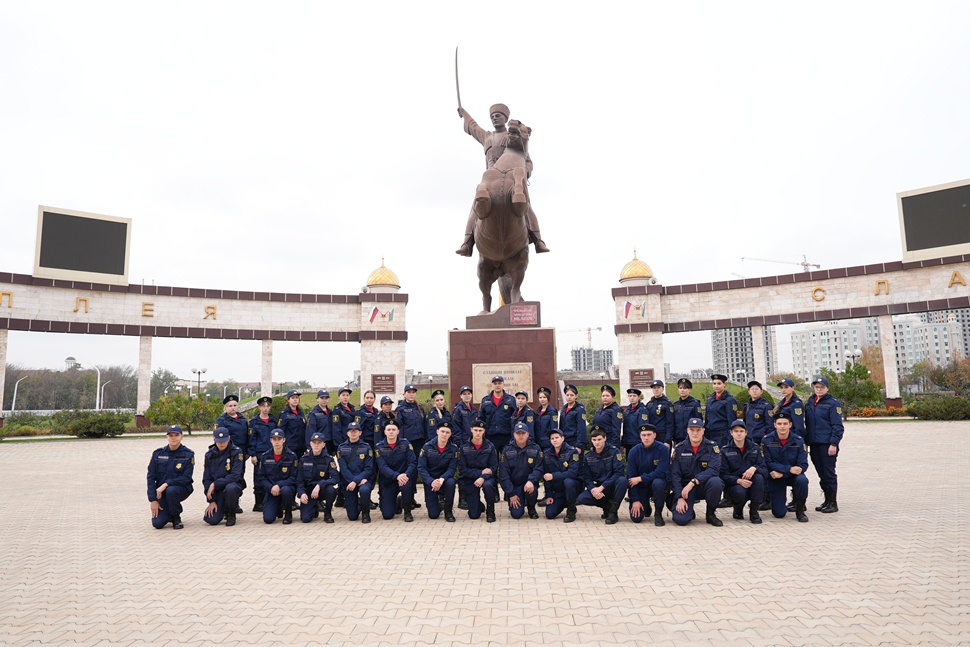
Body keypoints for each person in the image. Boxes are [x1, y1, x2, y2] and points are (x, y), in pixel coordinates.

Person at [456, 103, 549, 256]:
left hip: (513, 175)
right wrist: (464, 113)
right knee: (476, 205)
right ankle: (467, 242)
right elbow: (473, 127)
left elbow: (527, 159)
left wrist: (526, 171)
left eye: (498, 115)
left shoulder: (513, 135)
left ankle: (538, 239)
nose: (494, 118)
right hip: (491, 178)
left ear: (505, 118)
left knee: (527, 206)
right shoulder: (487, 137)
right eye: (492, 116)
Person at [670, 417, 725, 527]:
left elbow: (714, 470)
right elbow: (675, 475)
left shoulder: (712, 447)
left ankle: (710, 514)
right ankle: (681, 506)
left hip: (704, 486)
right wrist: (679, 497)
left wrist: (694, 482)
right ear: (687, 430)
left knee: (716, 482)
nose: (695, 433)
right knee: (681, 520)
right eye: (692, 430)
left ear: (703, 431)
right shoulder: (679, 449)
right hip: (685, 490)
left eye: (698, 430)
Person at [805, 376, 844, 513]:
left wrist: (834, 443)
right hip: (814, 443)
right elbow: (808, 424)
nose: (819, 389)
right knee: (821, 473)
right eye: (817, 387)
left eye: (821, 387)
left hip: (827, 444)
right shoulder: (810, 402)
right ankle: (826, 500)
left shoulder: (833, 403)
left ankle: (833, 503)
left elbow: (837, 426)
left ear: (827, 388)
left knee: (829, 473)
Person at [761, 412, 810, 522]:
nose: (782, 426)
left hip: (791, 476)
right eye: (779, 424)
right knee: (779, 514)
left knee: (802, 480)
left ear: (790, 424)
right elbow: (767, 462)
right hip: (776, 478)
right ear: (775, 425)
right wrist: (789, 469)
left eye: (785, 423)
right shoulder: (766, 440)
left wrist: (784, 472)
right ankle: (780, 503)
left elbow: (803, 465)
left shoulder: (799, 440)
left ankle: (800, 509)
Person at [577, 425, 628, 524]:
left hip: (612, 487)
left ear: (605, 438)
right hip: (598, 488)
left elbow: (618, 473)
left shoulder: (614, 452)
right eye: (594, 439)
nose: (597, 442)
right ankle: (607, 506)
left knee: (622, 480)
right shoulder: (588, 457)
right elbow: (587, 478)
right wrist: (593, 490)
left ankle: (613, 512)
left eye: (599, 439)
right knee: (582, 498)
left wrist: (602, 487)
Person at [147, 425, 195, 530]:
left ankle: (176, 517)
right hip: (161, 493)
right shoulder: (158, 454)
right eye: (171, 435)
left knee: (171, 490)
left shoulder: (188, 454)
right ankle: (168, 512)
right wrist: (153, 500)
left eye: (176, 435)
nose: (173, 438)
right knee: (157, 524)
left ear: (182, 436)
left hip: (181, 488)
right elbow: (150, 477)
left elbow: (186, 477)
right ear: (167, 437)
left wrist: (166, 484)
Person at [719, 420, 767, 524]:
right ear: (731, 433)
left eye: (741, 431)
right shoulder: (725, 451)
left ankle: (754, 511)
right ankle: (738, 508)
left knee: (759, 478)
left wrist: (754, 468)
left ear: (746, 433)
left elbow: (764, 469)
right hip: (735, 484)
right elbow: (722, 475)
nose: (739, 433)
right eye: (736, 431)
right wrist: (738, 480)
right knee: (739, 491)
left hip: (752, 482)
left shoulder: (755, 448)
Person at [626, 424, 669, 526]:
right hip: (641, 487)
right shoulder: (634, 451)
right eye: (643, 435)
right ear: (640, 436)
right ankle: (645, 504)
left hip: (657, 485)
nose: (646, 437)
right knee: (636, 518)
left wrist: (641, 478)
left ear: (654, 435)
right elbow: (631, 478)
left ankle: (658, 513)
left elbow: (661, 472)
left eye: (649, 434)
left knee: (658, 483)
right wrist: (635, 500)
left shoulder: (663, 449)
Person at [499, 422, 544, 519]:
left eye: (523, 433)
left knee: (532, 490)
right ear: (514, 434)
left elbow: (539, 469)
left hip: (529, 484)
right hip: (514, 486)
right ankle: (520, 501)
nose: (521, 436)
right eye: (518, 433)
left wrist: (531, 481)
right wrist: (511, 494)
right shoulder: (507, 450)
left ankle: (531, 507)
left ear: (528, 434)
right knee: (516, 514)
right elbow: (504, 474)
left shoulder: (535, 449)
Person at [374, 420, 417, 522]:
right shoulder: (378, 447)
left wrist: (406, 475)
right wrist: (397, 476)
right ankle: (397, 502)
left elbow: (413, 462)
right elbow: (382, 467)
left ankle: (407, 512)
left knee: (406, 485)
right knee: (387, 515)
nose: (391, 432)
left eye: (394, 429)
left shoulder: (405, 444)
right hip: (388, 481)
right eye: (389, 430)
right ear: (385, 432)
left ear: (398, 431)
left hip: (404, 479)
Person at [202, 427, 245, 527]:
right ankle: (223, 508)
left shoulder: (237, 452)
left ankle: (231, 514)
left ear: (229, 438)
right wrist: (211, 501)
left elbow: (235, 476)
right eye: (219, 441)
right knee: (212, 520)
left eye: (224, 441)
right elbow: (206, 478)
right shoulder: (209, 455)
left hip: (232, 485)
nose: (222, 443)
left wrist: (215, 484)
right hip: (217, 490)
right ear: (214, 439)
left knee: (230, 488)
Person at [457, 419, 499, 522]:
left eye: (480, 430)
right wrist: (480, 473)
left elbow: (493, 467)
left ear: (484, 431)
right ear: (471, 430)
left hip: (486, 479)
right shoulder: (464, 447)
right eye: (475, 430)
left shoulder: (490, 446)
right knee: (474, 515)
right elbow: (462, 469)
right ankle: (478, 505)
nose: (478, 433)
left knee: (488, 486)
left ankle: (490, 509)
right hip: (470, 479)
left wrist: (483, 478)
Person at [417, 420, 460, 522]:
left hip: (444, 479)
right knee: (433, 515)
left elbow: (452, 468)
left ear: (450, 434)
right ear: (437, 432)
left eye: (447, 432)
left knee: (451, 482)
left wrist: (442, 479)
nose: (444, 434)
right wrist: (431, 481)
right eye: (442, 431)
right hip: (430, 481)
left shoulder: (454, 449)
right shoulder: (427, 447)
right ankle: (440, 503)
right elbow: (421, 468)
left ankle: (448, 510)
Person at [257, 429, 298, 525]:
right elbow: (261, 477)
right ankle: (277, 508)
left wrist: (279, 485)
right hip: (271, 490)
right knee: (268, 519)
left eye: (279, 439)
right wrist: (271, 487)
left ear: (284, 440)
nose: (277, 442)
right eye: (274, 439)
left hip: (286, 488)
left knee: (286, 490)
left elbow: (294, 477)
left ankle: (288, 513)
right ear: (271, 440)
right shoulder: (265, 457)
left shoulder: (292, 456)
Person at [336, 421, 375, 523]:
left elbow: (369, 468)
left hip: (364, 480)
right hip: (348, 482)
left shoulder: (366, 447)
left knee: (364, 490)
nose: (353, 433)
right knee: (352, 517)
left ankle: (366, 513)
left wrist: (356, 480)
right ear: (347, 433)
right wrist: (353, 481)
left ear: (360, 433)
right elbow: (343, 469)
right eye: (351, 431)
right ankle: (357, 503)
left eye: (355, 431)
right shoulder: (341, 448)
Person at [296, 432, 339, 523]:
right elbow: (299, 480)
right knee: (306, 519)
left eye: (319, 443)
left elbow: (335, 478)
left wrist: (320, 484)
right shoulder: (303, 460)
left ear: (324, 445)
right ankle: (314, 506)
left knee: (331, 490)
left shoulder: (329, 459)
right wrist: (301, 493)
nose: (316, 445)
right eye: (314, 442)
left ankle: (327, 513)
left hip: (322, 489)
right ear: (310, 443)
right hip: (309, 492)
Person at [540, 428, 581, 523]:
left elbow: (572, 473)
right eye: (552, 438)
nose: (555, 440)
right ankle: (564, 502)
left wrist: (554, 476)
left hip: (572, 486)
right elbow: (546, 477)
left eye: (557, 437)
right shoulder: (547, 454)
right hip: (558, 490)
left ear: (563, 438)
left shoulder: (572, 452)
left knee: (568, 481)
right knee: (549, 514)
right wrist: (549, 495)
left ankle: (571, 510)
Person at [248, 395, 276, 512]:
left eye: (268, 406)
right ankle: (258, 503)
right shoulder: (254, 422)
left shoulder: (273, 421)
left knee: (270, 476)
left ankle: (268, 500)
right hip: (259, 453)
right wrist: (253, 454)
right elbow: (251, 439)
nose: (265, 408)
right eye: (263, 406)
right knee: (258, 477)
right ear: (259, 407)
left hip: (271, 453)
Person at [480, 376, 515, 457]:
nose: (497, 385)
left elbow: (514, 418)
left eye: (499, 383)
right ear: (492, 385)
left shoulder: (511, 400)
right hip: (491, 436)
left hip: (506, 436)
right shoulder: (485, 400)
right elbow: (482, 418)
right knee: (492, 461)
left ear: (503, 384)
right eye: (495, 383)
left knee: (507, 460)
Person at [704, 374, 738, 448]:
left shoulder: (729, 400)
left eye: (719, 383)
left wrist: (730, 438)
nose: (716, 386)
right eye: (714, 383)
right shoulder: (710, 399)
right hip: (710, 434)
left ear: (724, 384)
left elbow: (732, 421)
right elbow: (707, 418)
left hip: (722, 435)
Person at [277, 389, 307, 462]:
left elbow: (304, 429)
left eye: (297, 398)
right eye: (293, 398)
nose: (295, 400)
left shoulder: (300, 413)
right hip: (290, 447)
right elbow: (281, 431)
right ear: (288, 400)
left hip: (300, 447)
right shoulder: (284, 414)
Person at [672, 378, 702, 445]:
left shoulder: (695, 404)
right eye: (680, 388)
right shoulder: (676, 405)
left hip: (691, 438)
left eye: (685, 388)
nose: (682, 390)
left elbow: (698, 422)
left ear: (689, 390)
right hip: (678, 438)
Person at [591, 385, 623, 449]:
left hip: (609, 442)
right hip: (598, 442)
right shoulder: (600, 409)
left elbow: (616, 429)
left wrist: (613, 446)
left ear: (612, 397)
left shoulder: (616, 410)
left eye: (607, 396)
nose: (605, 398)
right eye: (603, 396)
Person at [743, 381, 773, 446]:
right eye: (752, 389)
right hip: (748, 438)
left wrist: (767, 439)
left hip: (761, 439)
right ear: (749, 392)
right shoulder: (747, 406)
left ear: (761, 391)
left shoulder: (766, 406)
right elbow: (745, 422)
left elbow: (770, 425)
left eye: (756, 389)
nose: (754, 391)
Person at [645, 380, 675, 446]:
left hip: (663, 436)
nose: (656, 390)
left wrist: (667, 440)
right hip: (652, 436)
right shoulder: (649, 404)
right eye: (654, 388)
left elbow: (670, 423)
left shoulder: (667, 403)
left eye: (658, 387)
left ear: (662, 389)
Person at [559, 385, 587, 451]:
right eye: (567, 395)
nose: (569, 397)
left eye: (571, 395)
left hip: (575, 442)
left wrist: (579, 445)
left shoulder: (579, 410)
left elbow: (581, 428)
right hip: (565, 442)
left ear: (576, 396)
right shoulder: (564, 409)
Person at [621, 388, 648, 455]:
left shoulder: (642, 410)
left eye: (634, 396)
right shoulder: (627, 411)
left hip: (637, 443)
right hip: (627, 442)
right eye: (630, 396)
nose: (632, 398)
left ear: (638, 397)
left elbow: (643, 427)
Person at [451, 385, 477, 450]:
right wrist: (459, 444)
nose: (467, 396)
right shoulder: (458, 410)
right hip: (463, 443)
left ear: (471, 395)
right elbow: (456, 428)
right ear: (461, 396)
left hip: (474, 441)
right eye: (464, 394)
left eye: (469, 394)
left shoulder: (474, 409)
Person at [533, 386, 559, 454]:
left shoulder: (552, 412)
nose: (542, 399)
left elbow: (554, 428)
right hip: (538, 443)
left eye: (544, 397)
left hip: (547, 444)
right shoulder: (538, 412)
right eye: (540, 397)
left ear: (548, 398)